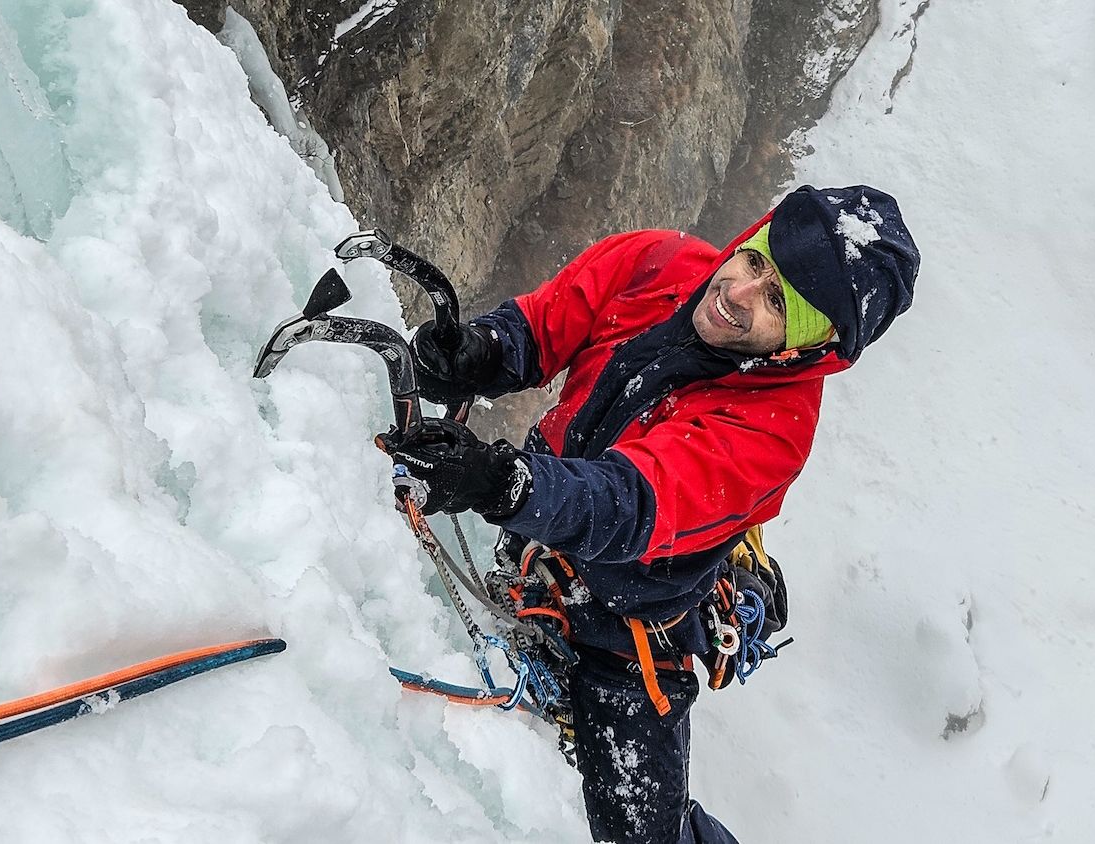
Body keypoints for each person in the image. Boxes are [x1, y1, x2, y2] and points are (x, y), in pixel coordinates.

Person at [381, 184, 919, 843]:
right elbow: (545, 327)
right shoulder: (659, 262)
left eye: (778, 301)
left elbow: (629, 503)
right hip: (536, 541)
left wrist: (504, 484)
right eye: (756, 261)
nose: (740, 292)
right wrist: (478, 352)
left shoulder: (775, 431)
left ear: (807, 345)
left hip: (620, 636)